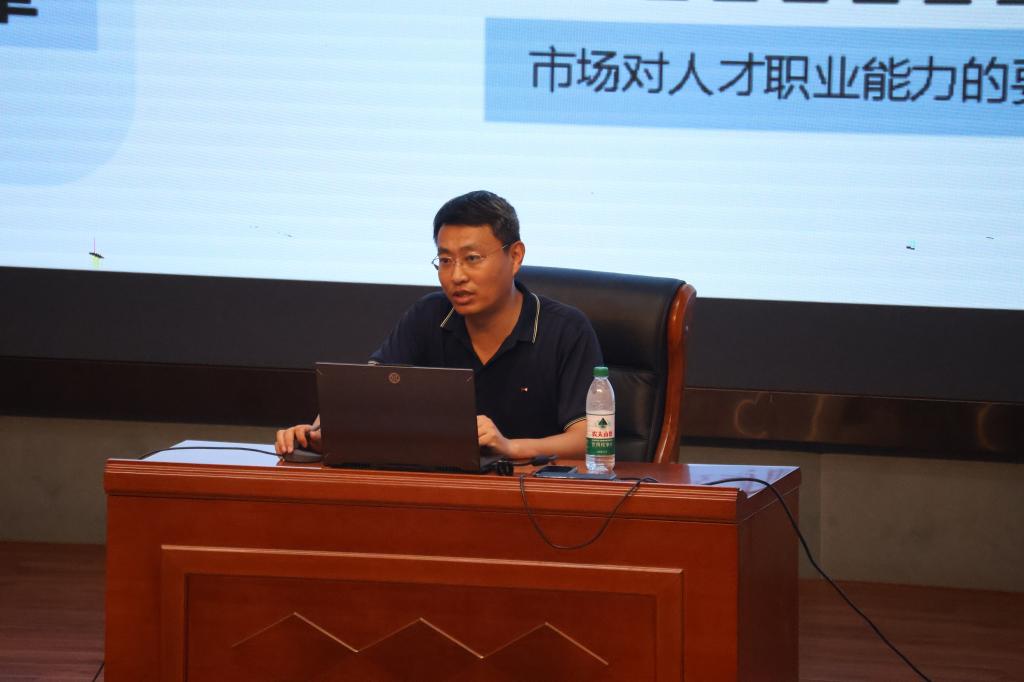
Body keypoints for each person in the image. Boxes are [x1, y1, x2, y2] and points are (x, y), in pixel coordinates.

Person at [275, 190, 603, 460]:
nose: (456, 275)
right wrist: (318, 431)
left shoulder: (566, 329)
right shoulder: (429, 315)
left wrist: (510, 447)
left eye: (472, 259)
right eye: (445, 260)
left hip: (532, 495)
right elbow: (365, 393)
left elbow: (591, 438)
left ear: (515, 256)